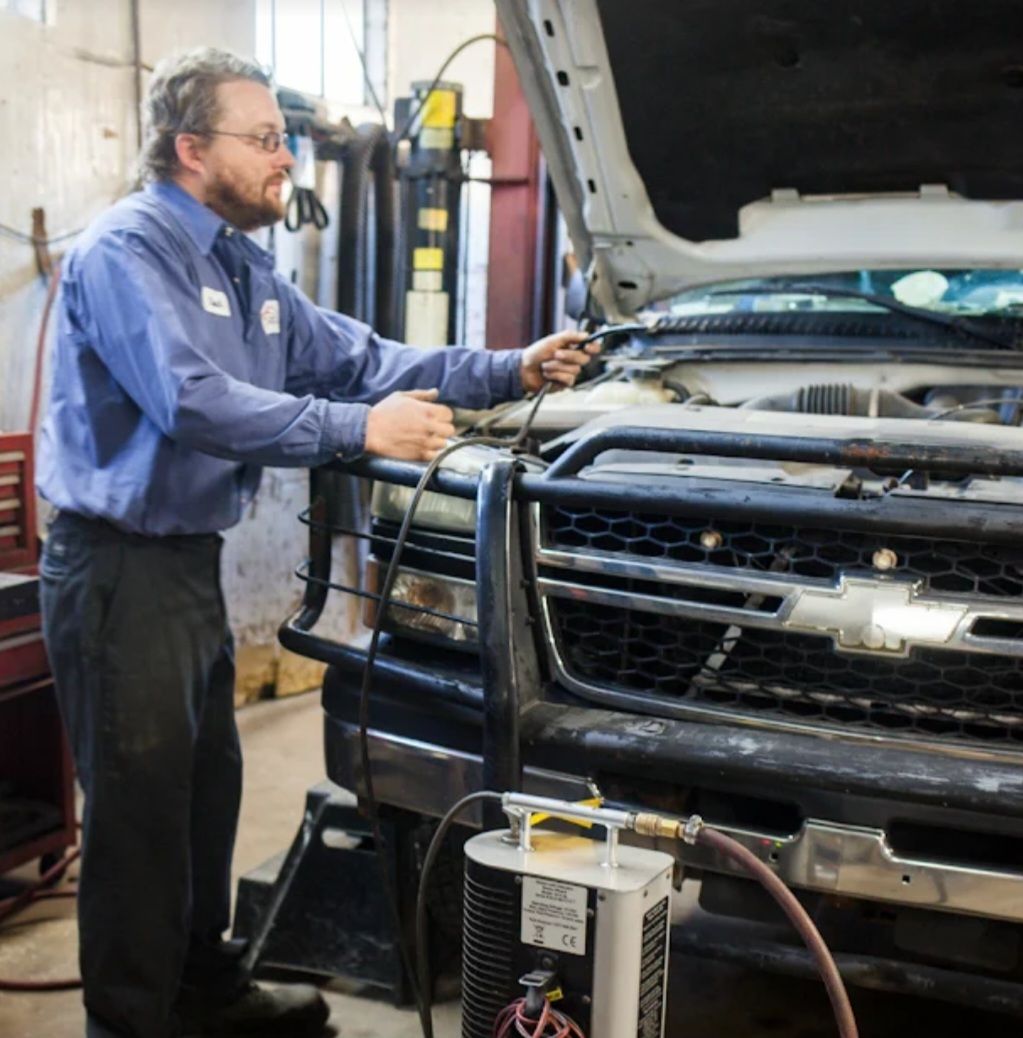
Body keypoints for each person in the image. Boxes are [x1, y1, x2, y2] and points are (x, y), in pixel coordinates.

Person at [35, 47, 597, 1038]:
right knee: (139, 816)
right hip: (117, 571)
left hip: (186, 567)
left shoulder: (246, 268)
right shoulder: (127, 251)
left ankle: (204, 991)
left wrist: (510, 368)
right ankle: (128, 1024)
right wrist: (356, 430)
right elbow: (189, 401)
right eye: (264, 139)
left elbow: (363, 357)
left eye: (283, 137)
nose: (285, 156)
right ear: (190, 147)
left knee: (207, 795)